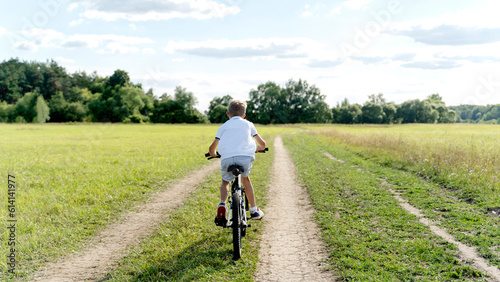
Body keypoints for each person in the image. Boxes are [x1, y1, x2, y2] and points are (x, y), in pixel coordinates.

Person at [209, 100, 266, 221]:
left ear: (227, 114)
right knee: (246, 180)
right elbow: (263, 144)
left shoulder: (223, 127)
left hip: (227, 158)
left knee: (225, 182)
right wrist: (258, 149)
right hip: (245, 157)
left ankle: (222, 204)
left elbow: (212, 148)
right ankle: (254, 210)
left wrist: (213, 154)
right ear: (244, 115)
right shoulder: (248, 124)